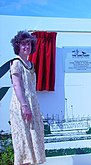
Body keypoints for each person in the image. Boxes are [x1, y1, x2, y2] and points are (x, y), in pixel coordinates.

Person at [9, 30, 46, 165]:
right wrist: (24, 106)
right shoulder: (16, 63)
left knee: (34, 135)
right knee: (24, 138)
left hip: (32, 103)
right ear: (18, 46)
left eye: (29, 44)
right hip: (21, 104)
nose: (27, 47)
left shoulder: (30, 64)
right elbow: (17, 85)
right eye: (24, 44)